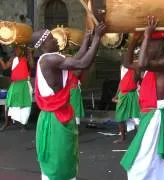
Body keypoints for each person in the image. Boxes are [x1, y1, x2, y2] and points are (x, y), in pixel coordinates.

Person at [31, 23, 107, 180]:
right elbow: (82, 64)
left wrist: (87, 40)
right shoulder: (49, 60)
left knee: (63, 158)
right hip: (55, 119)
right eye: (53, 38)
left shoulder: (51, 59)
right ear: (44, 44)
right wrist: (97, 38)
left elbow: (77, 59)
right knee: (60, 163)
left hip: (56, 116)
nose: (57, 40)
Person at [120, 16, 164, 180]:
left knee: (140, 164)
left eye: (150, 44)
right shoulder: (152, 65)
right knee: (152, 161)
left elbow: (143, 63)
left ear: (160, 46)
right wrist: (133, 40)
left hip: (156, 119)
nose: (144, 49)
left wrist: (146, 36)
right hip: (150, 118)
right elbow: (126, 63)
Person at [0, 46, 33, 132]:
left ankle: (23, 125)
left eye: (18, 49)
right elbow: (5, 67)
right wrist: (0, 59)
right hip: (15, 84)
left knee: (25, 105)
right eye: (15, 49)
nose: (16, 51)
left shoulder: (26, 59)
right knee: (9, 103)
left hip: (25, 84)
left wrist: (30, 53)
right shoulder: (13, 59)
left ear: (22, 50)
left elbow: (32, 65)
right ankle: (7, 123)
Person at [112, 59, 140, 143]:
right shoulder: (122, 67)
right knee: (119, 117)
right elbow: (121, 82)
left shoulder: (136, 67)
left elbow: (136, 80)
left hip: (133, 94)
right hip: (122, 94)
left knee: (136, 117)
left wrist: (134, 68)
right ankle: (122, 137)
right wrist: (116, 95)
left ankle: (140, 139)